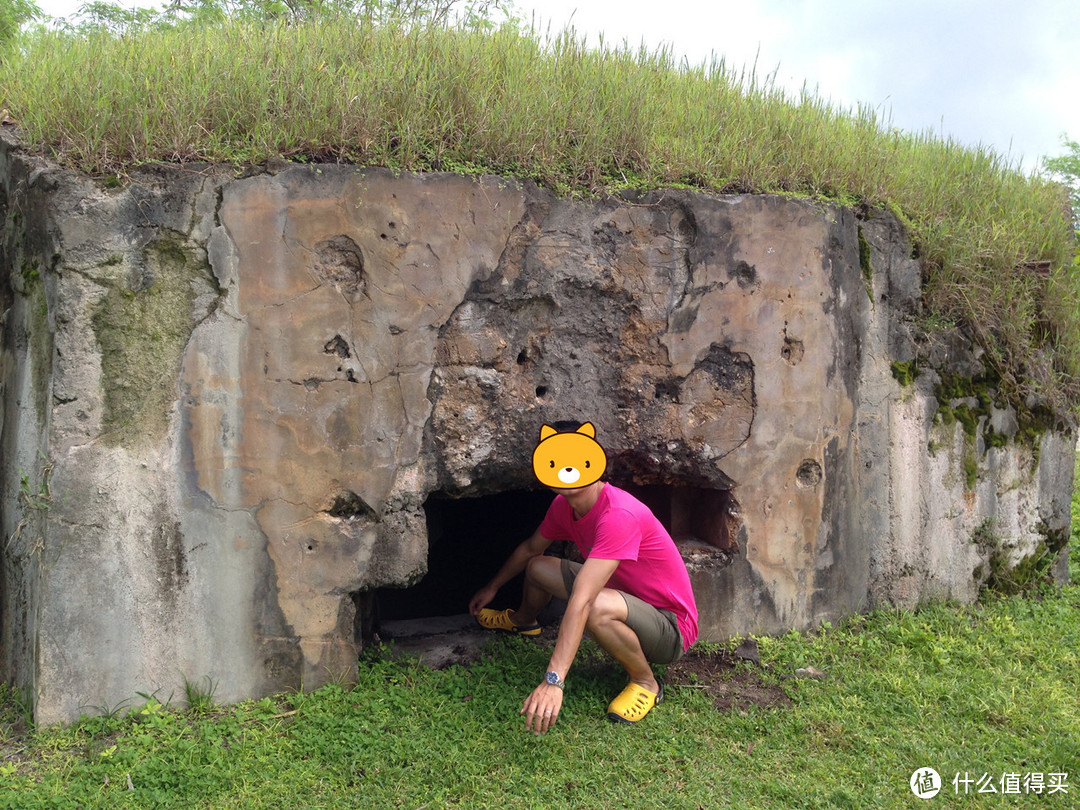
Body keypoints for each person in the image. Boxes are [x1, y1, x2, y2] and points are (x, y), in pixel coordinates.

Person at [468, 423, 699, 735]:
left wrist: (554, 680)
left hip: (670, 627)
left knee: (594, 605)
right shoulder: (564, 506)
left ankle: (646, 681)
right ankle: (523, 621)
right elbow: (530, 548)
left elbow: (583, 598)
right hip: (623, 598)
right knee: (538, 567)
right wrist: (492, 587)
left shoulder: (618, 514)